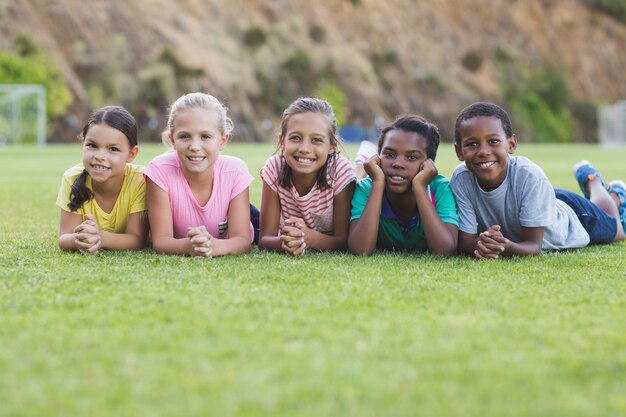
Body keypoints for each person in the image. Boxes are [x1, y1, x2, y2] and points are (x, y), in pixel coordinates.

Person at [450, 102, 625, 259]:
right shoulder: (460, 180)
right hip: (537, 202)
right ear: (459, 151)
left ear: (511, 144)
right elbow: (466, 243)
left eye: (493, 141)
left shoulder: (529, 175)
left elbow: (534, 246)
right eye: (472, 144)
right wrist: (485, 244)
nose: (483, 151)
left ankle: (595, 182)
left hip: (574, 215)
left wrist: (504, 246)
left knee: (618, 230)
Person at [145, 92, 255, 257]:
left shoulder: (235, 171)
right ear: (173, 140)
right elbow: (161, 241)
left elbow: (242, 241)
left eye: (206, 136)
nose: (195, 146)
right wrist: (189, 245)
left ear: (222, 141)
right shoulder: (159, 171)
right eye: (185, 136)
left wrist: (216, 246)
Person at [348, 114, 459, 256]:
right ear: (378, 156)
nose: (398, 164)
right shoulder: (367, 188)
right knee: (357, 176)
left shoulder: (439, 189)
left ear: (428, 164)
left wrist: (419, 187)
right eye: (389, 154)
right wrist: (377, 184)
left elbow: (445, 250)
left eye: (412, 157)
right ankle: (360, 163)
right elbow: (360, 250)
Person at [259, 97, 356, 256]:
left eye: (316, 140)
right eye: (295, 138)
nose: (304, 148)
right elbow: (265, 239)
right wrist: (288, 242)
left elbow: (344, 241)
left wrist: (309, 238)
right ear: (282, 141)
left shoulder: (340, 171)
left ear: (332, 146)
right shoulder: (275, 168)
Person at [57, 105, 148, 255]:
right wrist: (81, 239)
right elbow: (64, 238)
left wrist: (100, 237)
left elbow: (136, 239)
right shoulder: (72, 178)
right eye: (92, 145)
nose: (100, 156)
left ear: (132, 154)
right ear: (83, 144)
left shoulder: (140, 180)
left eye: (113, 149)